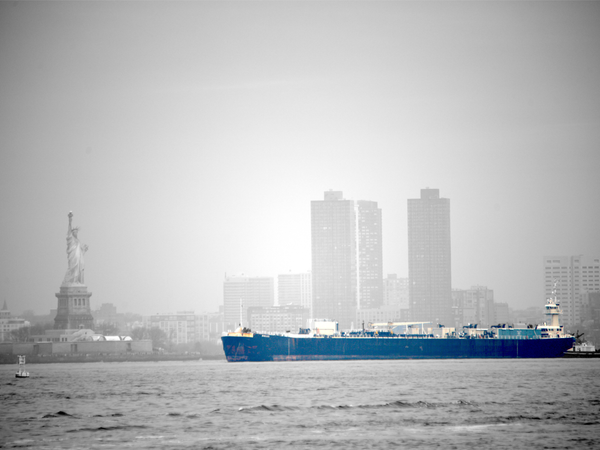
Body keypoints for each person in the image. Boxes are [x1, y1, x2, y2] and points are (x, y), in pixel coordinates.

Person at [62, 212, 88, 285]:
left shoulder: (78, 241)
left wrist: (84, 250)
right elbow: (69, 230)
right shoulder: (71, 240)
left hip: (78, 259)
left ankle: (76, 282)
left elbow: (80, 252)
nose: (76, 233)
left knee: (78, 270)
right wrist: (70, 220)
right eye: (74, 232)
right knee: (72, 270)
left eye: (77, 232)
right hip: (73, 258)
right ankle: (71, 282)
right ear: (72, 233)